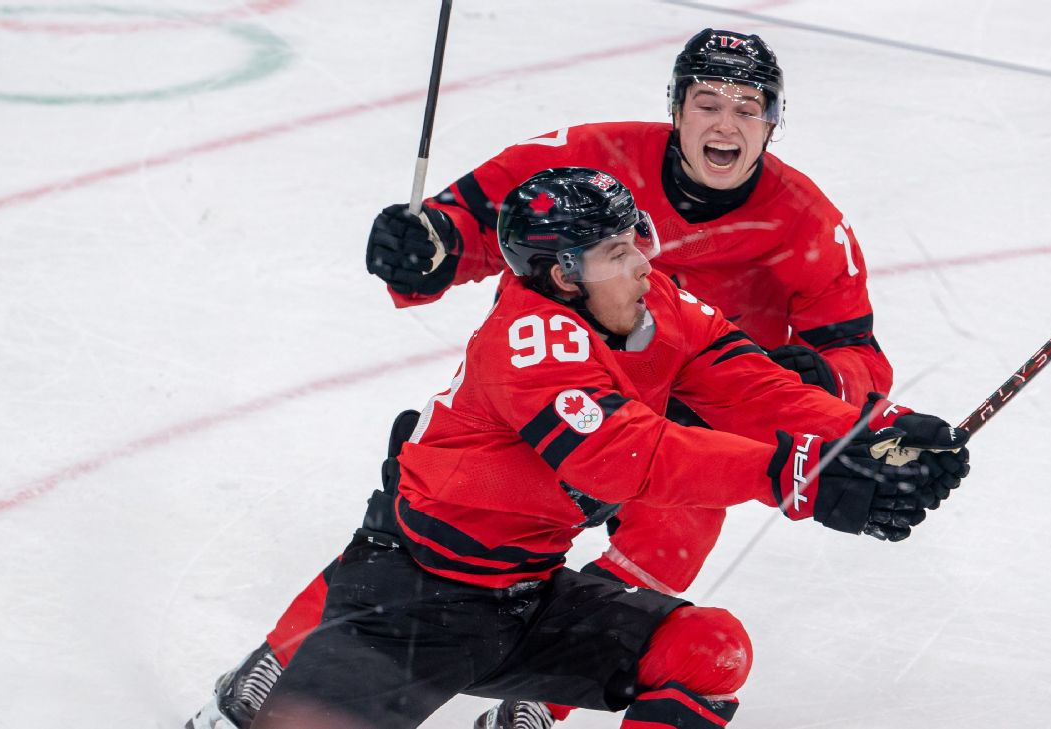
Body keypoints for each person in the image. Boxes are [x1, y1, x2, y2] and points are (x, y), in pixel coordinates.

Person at [186, 28, 912, 729]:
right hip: (549, 404)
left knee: (672, 553)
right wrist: (430, 243)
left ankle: (540, 693)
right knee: (421, 527)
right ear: (677, 107)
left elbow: (827, 363)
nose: (727, 122)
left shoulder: (794, 232)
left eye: (749, 106)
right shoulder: (584, 169)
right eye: (709, 102)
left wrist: (868, 421)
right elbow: (477, 219)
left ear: (773, 121)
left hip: (678, 415)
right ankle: (282, 660)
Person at [245, 167, 969, 729]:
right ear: (564, 275)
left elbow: (750, 380)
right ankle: (263, 678)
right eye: (619, 252)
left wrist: (871, 429)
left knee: (708, 648)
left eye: (639, 241)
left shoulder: (655, 307)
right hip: (411, 597)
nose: (645, 266)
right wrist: (793, 475)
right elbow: (628, 456)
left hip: (525, 596)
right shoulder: (527, 339)